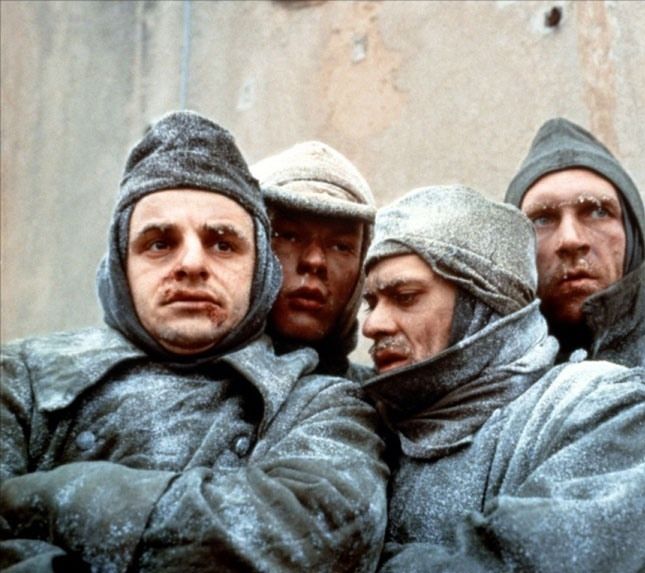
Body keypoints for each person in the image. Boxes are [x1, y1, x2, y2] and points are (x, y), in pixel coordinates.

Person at [0, 111, 388, 572]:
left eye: (223, 244)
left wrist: (52, 496)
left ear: (259, 268)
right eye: (159, 243)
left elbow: (321, 535)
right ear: (122, 263)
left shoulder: (323, 403)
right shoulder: (22, 377)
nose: (190, 264)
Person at [360, 185, 645, 572]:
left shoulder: (598, 405)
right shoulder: (370, 428)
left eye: (406, 296)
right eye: (371, 302)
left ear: (482, 306)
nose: (373, 325)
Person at [505, 117, 644, 366]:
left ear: (633, 235)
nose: (570, 240)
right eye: (542, 219)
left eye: (598, 212)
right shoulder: (483, 378)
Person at [251, 141, 376, 379]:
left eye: (341, 246)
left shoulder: (384, 399)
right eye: (289, 236)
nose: (314, 261)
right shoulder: (188, 387)